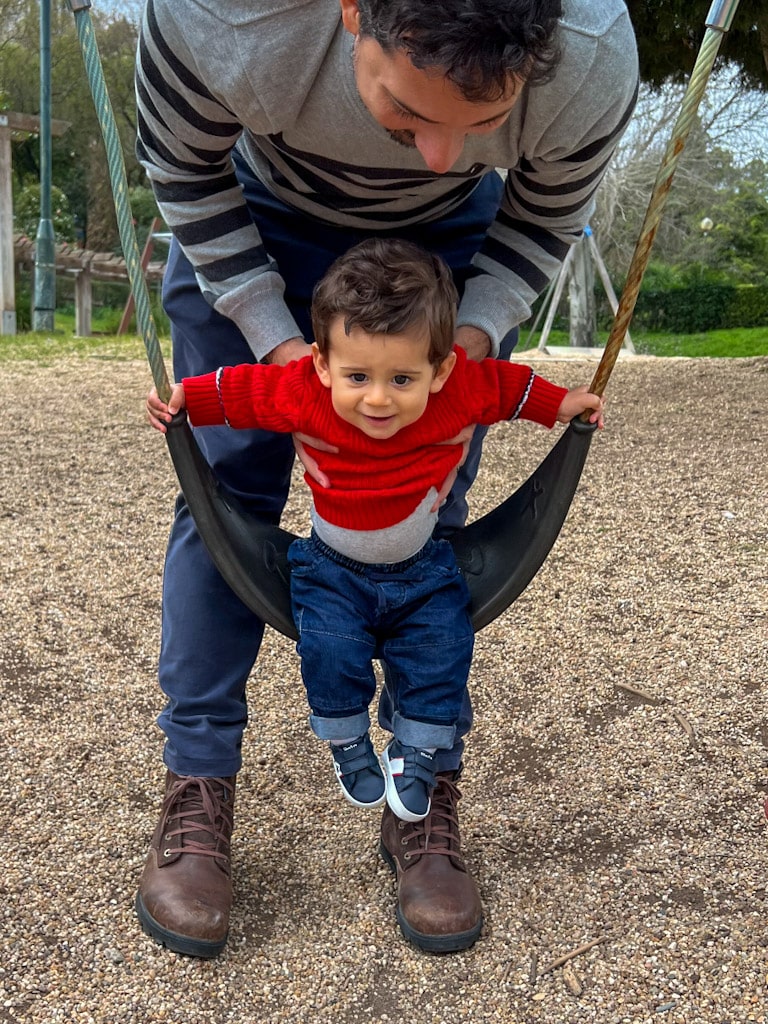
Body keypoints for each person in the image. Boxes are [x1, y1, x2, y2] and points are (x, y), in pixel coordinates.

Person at [134, 0, 638, 957]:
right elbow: (185, 170)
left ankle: (422, 784)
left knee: (429, 507)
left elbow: (541, 217)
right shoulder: (233, 20)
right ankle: (198, 785)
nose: (440, 152)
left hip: (442, 261)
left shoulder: (593, 60)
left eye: (480, 120)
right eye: (406, 112)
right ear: (353, 14)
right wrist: (278, 347)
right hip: (256, 213)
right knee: (225, 492)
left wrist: (462, 364)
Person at [147, 237, 604, 827]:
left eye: (403, 380)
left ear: (441, 371)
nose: (379, 399)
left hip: (424, 569)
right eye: (357, 375)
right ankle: (347, 743)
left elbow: (507, 388)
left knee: (442, 654)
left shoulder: (460, 387)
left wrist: (562, 403)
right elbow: (241, 392)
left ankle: (415, 754)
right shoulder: (302, 391)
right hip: (331, 569)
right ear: (320, 364)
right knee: (330, 653)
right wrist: (185, 400)